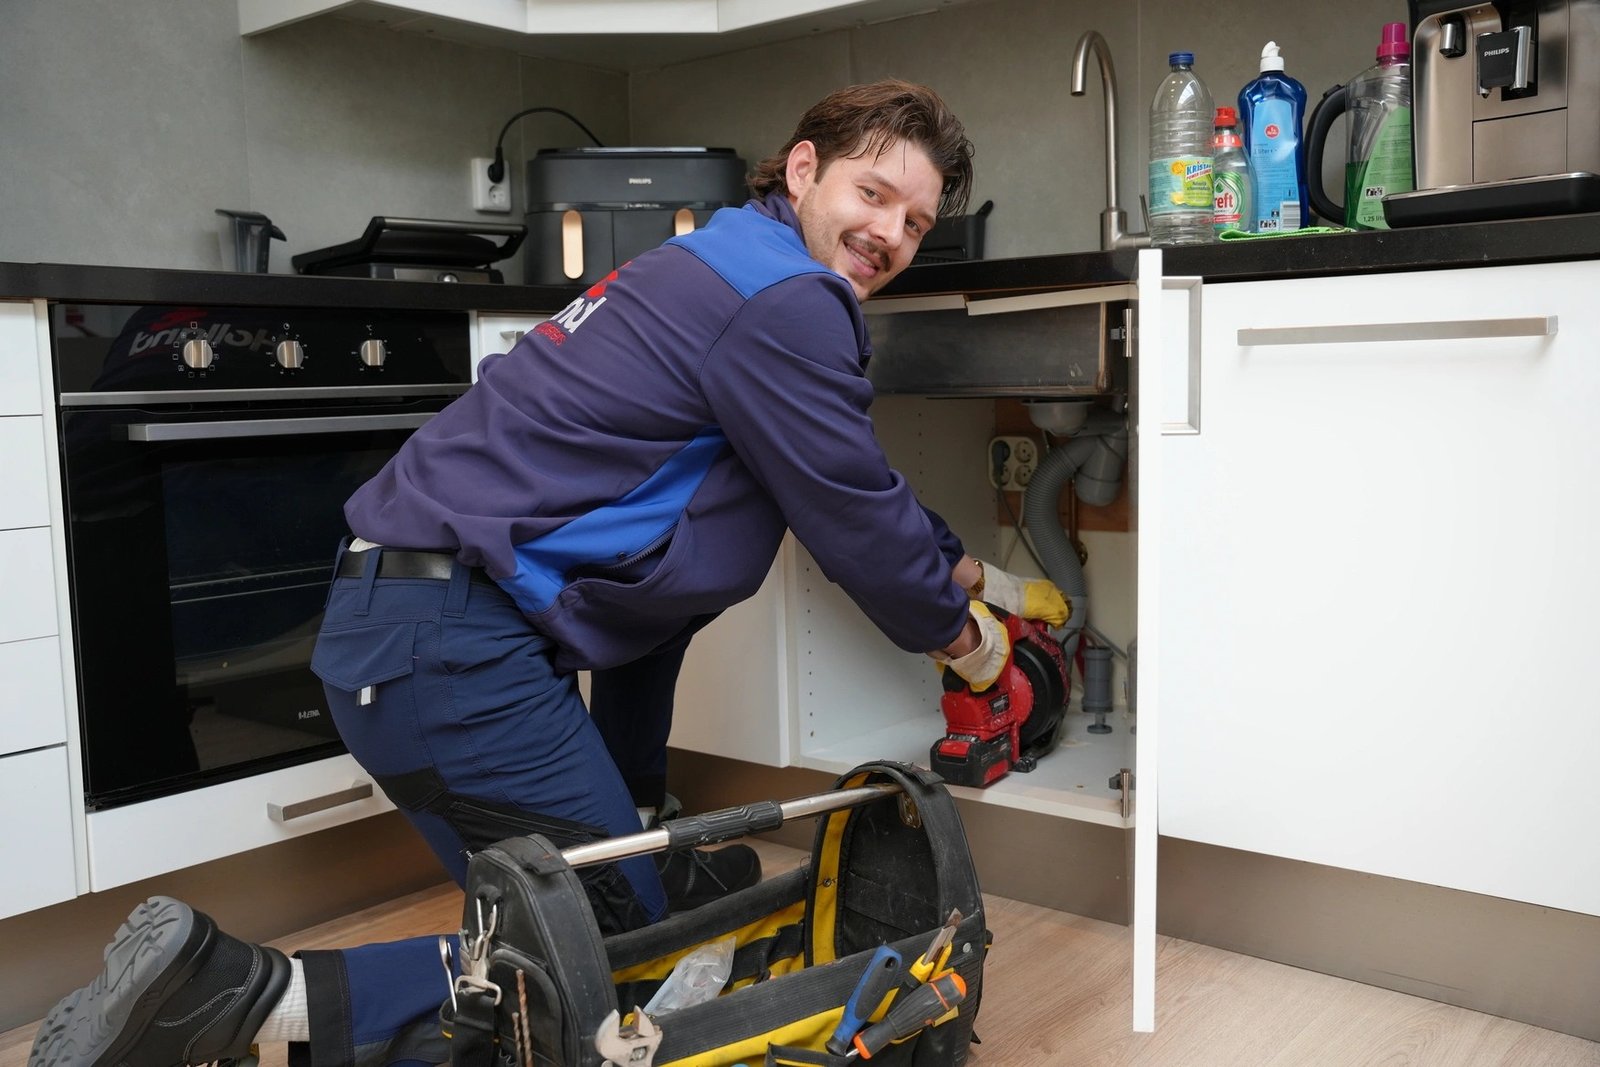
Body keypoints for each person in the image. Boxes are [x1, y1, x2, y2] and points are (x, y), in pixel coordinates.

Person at [29, 78, 1069, 1067]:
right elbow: (857, 520)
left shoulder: (712, 264)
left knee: (619, 917)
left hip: (400, 632)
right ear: (802, 170)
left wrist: (643, 814)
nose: (889, 234)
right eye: (872, 193)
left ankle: (258, 997)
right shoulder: (790, 302)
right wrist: (972, 643)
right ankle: (242, 991)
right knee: (616, 963)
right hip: (448, 652)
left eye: (916, 222)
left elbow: (795, 522)